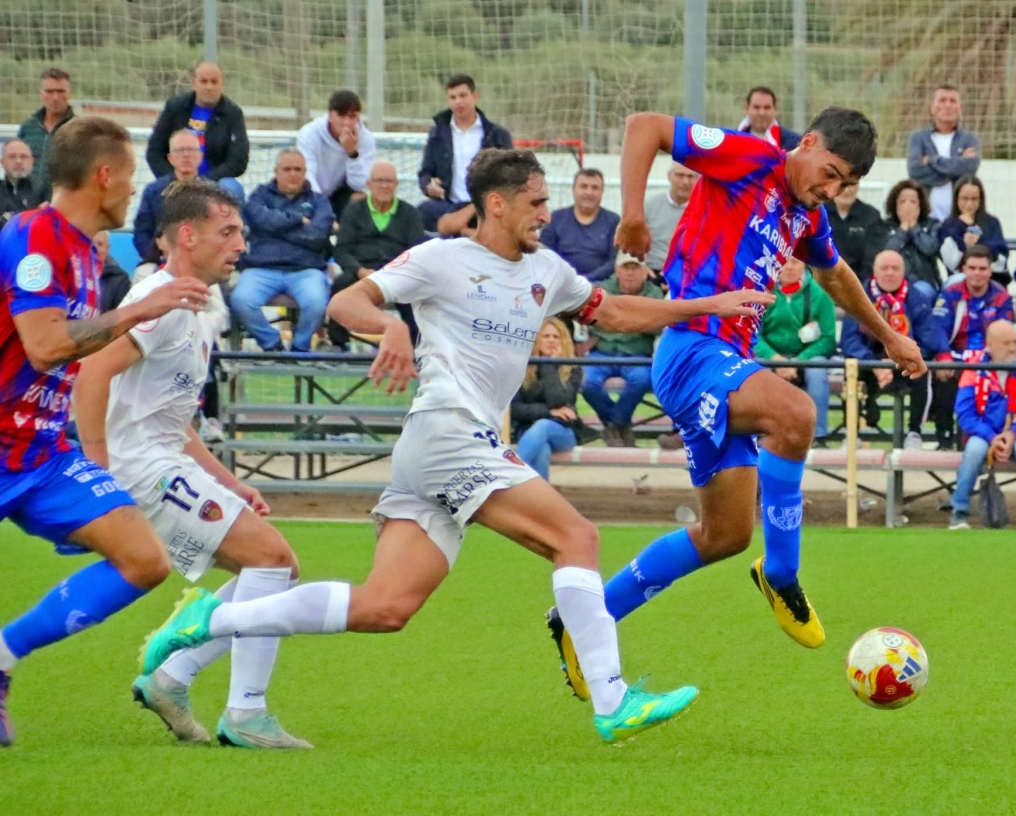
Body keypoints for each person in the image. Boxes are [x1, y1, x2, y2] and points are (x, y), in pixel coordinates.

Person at [139, 148, 774, 744]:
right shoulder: (440, 259)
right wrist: (389, 325)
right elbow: (344, 301)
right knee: (576, 538)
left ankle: (208, 623)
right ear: (495, 205)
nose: (545, 215)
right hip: (446, 433)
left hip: (448, 446)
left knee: (386, 607)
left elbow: (614, 313)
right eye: (534, 202)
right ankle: (612, 702)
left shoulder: (546, 271)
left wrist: (707, 306)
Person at [545, 107, 925, 704]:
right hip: (693, 348)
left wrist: (889, 335)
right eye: (828, 173)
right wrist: (637, 216)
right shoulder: (752, 158)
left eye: (843, 185)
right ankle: (781, 575)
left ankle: (584, 619)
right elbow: (645, 125)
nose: (830, 190)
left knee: (724, 535)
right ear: (810, 143)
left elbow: (836, 276)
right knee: (796, 414)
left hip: (723, 367)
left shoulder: (806, 213)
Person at [74, 180, 308, 749]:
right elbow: (92, 373)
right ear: (187, 235)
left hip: (164, 458)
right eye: (227, 232)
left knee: (277, 570)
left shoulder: (204, 303)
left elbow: (175, 420)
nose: (240, 245)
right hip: (142, 469)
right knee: (272, 561)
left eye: (241, 233)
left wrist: (231, 482)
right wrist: (98, 477)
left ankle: (172, 676)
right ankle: (244, 713)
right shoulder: (160, 299)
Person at [0, 115, 211, 747]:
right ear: (103, 175)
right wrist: (140, 307)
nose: (132, 190)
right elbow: (43, 347)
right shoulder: (34, 236)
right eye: (128, 176)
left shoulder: (86, 253)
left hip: (39, 454)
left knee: (145, 560)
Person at [229, 149, 334, 353]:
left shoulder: (320, 201)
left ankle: (300, 347)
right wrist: (296, 220)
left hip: (306, 270)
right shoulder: (259, 195)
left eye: (298, 169)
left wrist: (275, 229)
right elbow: (258, 219)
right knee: (241, 300)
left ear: (305, 172)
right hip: (261, 269)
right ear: (276, 171)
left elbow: (318, 236)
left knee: (317, 303)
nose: (293, 174)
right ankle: (272, 345)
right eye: (287, 169)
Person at [842, 249, 946, 449]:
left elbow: (929, 341)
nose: (890, 273)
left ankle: (914, 432)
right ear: (875, 271)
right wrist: (875, 364)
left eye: (895, 268)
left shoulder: (917, 298)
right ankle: (852, 433)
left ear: (903, 272)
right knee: (851, 370)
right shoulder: (858, 296)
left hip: (904, 364)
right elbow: (849, 341)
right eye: (884, 268)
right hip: (870, 364)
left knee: (922, 371)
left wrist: (900, 359)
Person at [948, 320, 1016, 530]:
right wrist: (992, 437)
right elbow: (965, 414)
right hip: (984, 434)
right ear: (989, 345)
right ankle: (959, 511)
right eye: (1006, 343)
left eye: (1015, 342)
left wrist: (1012, 434)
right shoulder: (972, 370)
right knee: (974, 450)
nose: (1013, 348)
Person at [329, 160, 425, 350]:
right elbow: (342, 250)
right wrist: (360, 270)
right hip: (362, 271)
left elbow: (417, 252)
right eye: (379, 180)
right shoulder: (353, 211)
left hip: (398, 272)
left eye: (389, 181)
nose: (384, 185)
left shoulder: (410, 214)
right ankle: (339, 346)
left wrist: (396, 272)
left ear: (397, 185)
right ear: (369, 184)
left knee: (414, 294)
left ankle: (416, 348)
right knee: (341, 285)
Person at [931, 245, 1014, 450]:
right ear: (963, 269)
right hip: (956, 358)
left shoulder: (1001, 296)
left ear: (990, 270)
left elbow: (1003, 334)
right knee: (942, 377)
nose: (977, 273)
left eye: (982, 268)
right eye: (972, 268)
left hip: (990, 361)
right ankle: (944, 438)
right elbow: (937, 329)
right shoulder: (950, 293)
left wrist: (985, 362)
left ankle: (989, 437)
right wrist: (943, 355)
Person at [580, 252, 664, 446]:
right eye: (626, 268)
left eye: (635, 268)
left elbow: (657, 326)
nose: (630, 274)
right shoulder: (602, 290)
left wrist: (615, 321)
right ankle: (620, 425)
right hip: (602, 353)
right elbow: (593, 321)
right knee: (586, 381)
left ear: (645, 272)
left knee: (641, 379)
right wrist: (637, 320)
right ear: (617, 270)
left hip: (637, 355)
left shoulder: (654, 293)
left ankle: (614, 424)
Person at [752, 256, 837, 446]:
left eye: (796, 262)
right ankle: (760, 433)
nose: (789, 267)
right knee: (756, 371)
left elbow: (827, 338)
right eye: (785, 262)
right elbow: (753, 334)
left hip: (807, 356)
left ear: (804, 265)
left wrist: (798, 361)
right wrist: (775, 358)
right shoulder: (761, 293)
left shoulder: (820, 294)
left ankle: (818, 435)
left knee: (817, 370)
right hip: (770, 356)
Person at [417, 74, 513, 234]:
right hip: (449, 206)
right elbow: (425, 172)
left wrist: (482, 201)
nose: (458, 102)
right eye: (452, 97)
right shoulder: (437, 134)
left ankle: (459, 229)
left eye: (463, 95)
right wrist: (429, 186)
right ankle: (463, 231)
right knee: (422, 212)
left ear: (475, 97)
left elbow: (510, 177)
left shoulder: (496, 135)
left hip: (484, 207)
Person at [145, 62, 249, 193]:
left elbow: (238, 161)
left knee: (232, 188)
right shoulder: (175, 108)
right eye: (204, 81)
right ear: (194, 83)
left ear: (222, 84)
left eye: (214, 81)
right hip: (175, 181)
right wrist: (173, 179)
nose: (209, 87)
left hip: (215, 183)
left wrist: (205, 181)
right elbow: (154, 151)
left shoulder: (233, 114)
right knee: (152, 191)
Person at [512, 318, 584, 477]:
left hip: (564, 431)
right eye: (546, 336)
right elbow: (515, 409)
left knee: (543, 425)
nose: (551, 340)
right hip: (527, 431)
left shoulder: (573, 369)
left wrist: (548, 364)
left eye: (556, 337)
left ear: (564, 341)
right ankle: (537, 500)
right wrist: (549, 412)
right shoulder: (520, 368)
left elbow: (559, 401)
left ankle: (510, 475)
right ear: (536, 340)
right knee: (542, 450)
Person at [906, 84, 981, 222]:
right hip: (925, 218)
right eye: (942, 100)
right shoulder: (918, 138)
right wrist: (956, 166)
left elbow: (970, 168)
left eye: (952, 101)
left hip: (959, 218)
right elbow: (915, 171)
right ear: (932, 108)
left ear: (960, 108)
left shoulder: (969, 139)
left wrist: (932, 160)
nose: (947, 105)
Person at [296, 90, 376, 218]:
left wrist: (352, 153)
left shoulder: (366, 139)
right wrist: (322, 210)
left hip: (340, 193)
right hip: (311, 194)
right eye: (341, 116)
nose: (346, 123)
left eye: (352, 117)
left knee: (361, 200)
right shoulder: (309, 134)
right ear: (330, 115)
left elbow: (360, 184)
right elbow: (308, 175)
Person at [133, 130, 204, 270]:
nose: (186, 155)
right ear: (170, 158)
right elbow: (141, 232)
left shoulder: (213, 193)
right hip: (158, 262)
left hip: (201, 264)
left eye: (191, 150)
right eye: (180, 150)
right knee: (141, 282)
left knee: (215, 291)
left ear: (200, 156)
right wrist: (159, 251)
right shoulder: (153, 191)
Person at [537, 168, 620, 282]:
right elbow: (545, 255)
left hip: (600, 285)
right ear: (573, 189)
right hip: (560, 282)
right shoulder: (556, 218)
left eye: (595, 188)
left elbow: (614, 261)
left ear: (602, 192)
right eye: (583, 186)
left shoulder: (614, 221)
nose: (589, 192)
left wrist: (586, 280)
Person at [937, 175, 1009, 280]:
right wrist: (963, 240)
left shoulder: (992, 222)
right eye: (964, 199)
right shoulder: (948, 225)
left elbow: (1001, 259)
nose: (969, 204)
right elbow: (951, 264)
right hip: (960, 280)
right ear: (956, 199)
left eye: (974, 199)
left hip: (992, 279)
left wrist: (979, 241)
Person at [17, 67, 75, 190]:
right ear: (41, 94)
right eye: (49, 91)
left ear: (69, 93)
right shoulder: (28, 128)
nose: (55, 97)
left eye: (60, 91)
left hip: (61, 204)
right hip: (28, 203)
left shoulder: (79, 129)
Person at [882, 179, 941, 293]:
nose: (907, 206)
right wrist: (903, 228)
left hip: (925, 281)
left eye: (912, 202)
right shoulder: (885, 226)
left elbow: (930, 249)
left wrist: (914, 227)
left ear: (920, 205)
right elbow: (887, 252)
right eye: (902, 202)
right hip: (893, 282)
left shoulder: (932, 225)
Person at [643, 162, 698, 278]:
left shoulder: (705, 210)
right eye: (679, 175)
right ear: (669, 176)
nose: (685, 182)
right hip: (650, 274)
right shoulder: (648, 205)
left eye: (690, 176)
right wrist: (641, 267)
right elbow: (632, 243)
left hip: (688, 275)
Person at [824, 180, 885, 285]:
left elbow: (873, 257)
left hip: (860, 283)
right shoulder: (818, 213)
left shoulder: (871, 216)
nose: (847, 191)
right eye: (842, 185)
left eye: (851, 185)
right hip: (823, 281)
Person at [0, 139, 49, 229]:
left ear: (31, 161)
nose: (18, 161)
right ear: (2, 162)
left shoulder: (44, 189)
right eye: (12, 157)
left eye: (23, 156)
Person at [737, 87, 801, 150]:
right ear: (747, 109)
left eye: (767, 108)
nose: (761, 113)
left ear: (775, 109)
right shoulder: (733, 139)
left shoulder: (794, 143)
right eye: (756, 107)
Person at [94, 230, 131, 314]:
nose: (94, 248)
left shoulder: (119, 279)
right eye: (90, 243)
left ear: (107, 248)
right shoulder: (71, 273)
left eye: (100, 244)